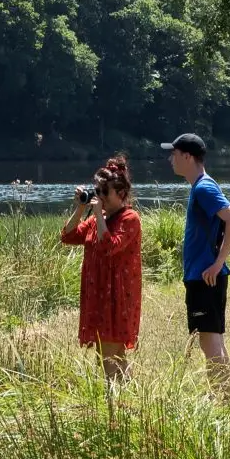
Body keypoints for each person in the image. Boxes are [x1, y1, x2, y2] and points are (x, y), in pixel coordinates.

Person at [163, 133, 230, 397]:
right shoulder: (201, 186)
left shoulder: (203, 188)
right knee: (211, 338)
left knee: (209, 340)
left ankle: (221, 399)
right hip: (204, 276)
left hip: (205, 277)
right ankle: (222, 396)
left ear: (187, 156)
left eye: (174, 154)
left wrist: (218, 263)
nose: (170, 159)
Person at [59, 154, 142, 383]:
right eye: (98, 191)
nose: (100, 197)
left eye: (105, 192)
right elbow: (67, 236)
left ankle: (119, 402)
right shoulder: (98, 219)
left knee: (111, 355)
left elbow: (109, 246)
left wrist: (98, 214)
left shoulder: (130, 219)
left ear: (122, 194)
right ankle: (124, 399)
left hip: (117, 296)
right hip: (98, 294)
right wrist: (80, 208)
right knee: (104, 355)